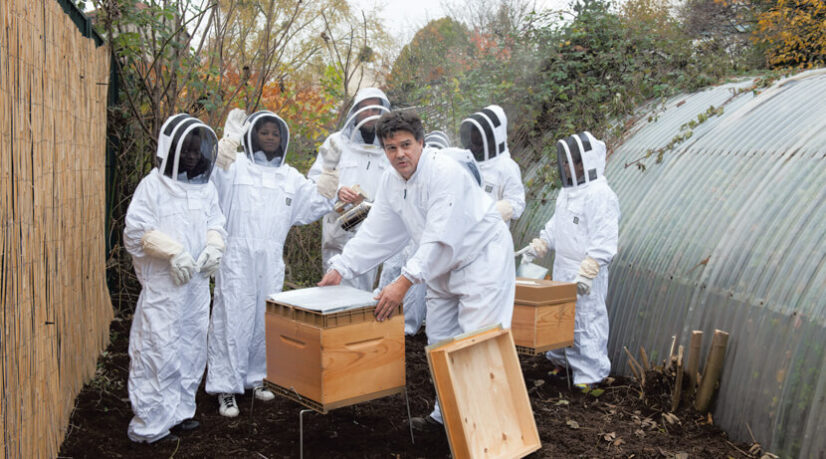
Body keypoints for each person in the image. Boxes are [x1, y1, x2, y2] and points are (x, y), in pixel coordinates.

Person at [318, 110, 515, 432]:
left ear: (421, 142)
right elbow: (378, 231)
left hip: (482, 261)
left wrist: (402, 283)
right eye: (391, 148)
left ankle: (486, 432)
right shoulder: (391, 180)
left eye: (406, 145)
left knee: (478, 345)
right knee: (439, 343)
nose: (399, 154)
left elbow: (440, 235)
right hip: (442, 267)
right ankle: (446, 417)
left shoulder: (444, 172)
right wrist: (342, 267)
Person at [206, 110, 337, 417]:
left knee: (264, 319)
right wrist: (228, 142)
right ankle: (226, 386)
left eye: (274, 133)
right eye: (263, 132)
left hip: (271, 258)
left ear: (283, 140)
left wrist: (330, 170)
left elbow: (316, 204)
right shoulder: (236, 168)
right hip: (237, 256)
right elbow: (214, 177)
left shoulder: (289, 176)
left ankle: (256, 377)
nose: (269, 137)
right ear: (253, 135)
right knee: (232, 318)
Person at [123, 114, 226, 443]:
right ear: (172, 149)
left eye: (197, 151)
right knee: (157, 350)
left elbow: (216, 222)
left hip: (196, 288)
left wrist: (214, 247)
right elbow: (136, 231)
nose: (193, 156)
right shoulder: (153, 186)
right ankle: (149, 426)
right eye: (187, 150)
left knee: (191, 349)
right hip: (165, 290)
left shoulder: (206, 188)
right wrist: (172, 252)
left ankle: (179, 412)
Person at [521, 131, 620, 391]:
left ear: (584, 163)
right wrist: (543, 242)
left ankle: (590, 375)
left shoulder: (601, 194)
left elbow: (605, 236)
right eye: (564, 161)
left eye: (572, 162)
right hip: (563, 266)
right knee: (560, 316)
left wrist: (590, 269)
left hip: (586, 270)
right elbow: (557, 225)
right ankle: (561, 363)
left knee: (586, 321)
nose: (566, 166)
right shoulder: (567, 192)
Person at [308, 88, 392, 291]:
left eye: (375, 110)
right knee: (333, 285)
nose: (370, 115)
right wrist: (338, 190)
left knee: (362, 291)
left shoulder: (389, 147)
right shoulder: (335, 142)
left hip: (370, 228)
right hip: (339, 227)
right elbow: (314, 178)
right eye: (365, 109)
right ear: (356, 111)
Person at [459, 105, 526, 223]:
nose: (474, 145)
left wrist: (501, 209)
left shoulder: (507, 167)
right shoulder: (468, 163)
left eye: (478, 141)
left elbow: (517, 203)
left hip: (494, 237)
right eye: (473, 140)